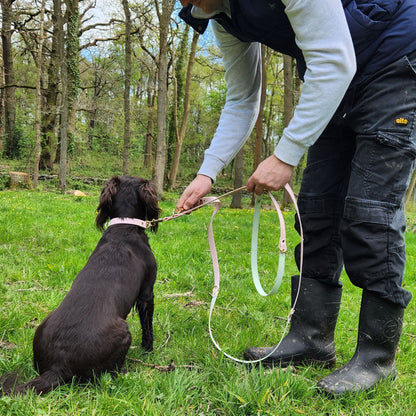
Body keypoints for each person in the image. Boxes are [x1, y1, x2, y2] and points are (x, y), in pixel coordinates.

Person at [177, 0, 416, 396]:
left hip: (393, 58)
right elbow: (242, 99)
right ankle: (310, 339)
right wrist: (207, 172)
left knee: (369, 214)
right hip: (335, 74)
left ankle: (377, 358)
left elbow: (334, 62)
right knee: (316, 210)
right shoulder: (218, 17)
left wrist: (284, 156)